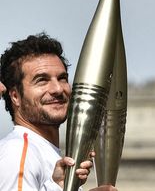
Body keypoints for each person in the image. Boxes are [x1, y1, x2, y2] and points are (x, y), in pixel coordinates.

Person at [0, 33, 117, 191]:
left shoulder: (45, 154)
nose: (58, 89)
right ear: (15, 96)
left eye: (62, 78)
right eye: (42, 80)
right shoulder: (18, 150)